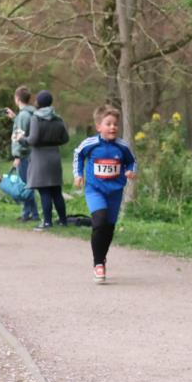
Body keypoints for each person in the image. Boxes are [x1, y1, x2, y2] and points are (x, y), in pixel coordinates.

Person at [72, 105, 137, 283]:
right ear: (98, 126)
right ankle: (98, 263)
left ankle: (102, 256)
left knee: (108, 228)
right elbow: (78, 155)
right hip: (95, 190)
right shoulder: (90, 144)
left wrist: (131, 171)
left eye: (115, 124)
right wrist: (78, 174)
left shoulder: (122, 146)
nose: (113, 127)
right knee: (99, 221)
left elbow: (132, 161)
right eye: (108, 124)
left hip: (115, 192)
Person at [25, 89, 69, 230]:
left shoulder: (36, 118)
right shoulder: (58, 118)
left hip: (40, 157)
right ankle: (63, 220)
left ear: (39, 102)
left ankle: (47, 222)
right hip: (54, 156)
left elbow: (33, 139)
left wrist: (21, 139)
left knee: (44, 191)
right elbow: (65, 138)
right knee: (56, 190)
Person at [4, 86, 39, 222]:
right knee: (27, 184)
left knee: (25, 185)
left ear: (17, 98)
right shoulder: (28, 114)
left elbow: (21, 135)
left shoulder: (23, 115)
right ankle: (32, 213)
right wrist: (14, 118)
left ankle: (29, 214)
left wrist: (18, 156)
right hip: (30, 153)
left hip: (25, 155)